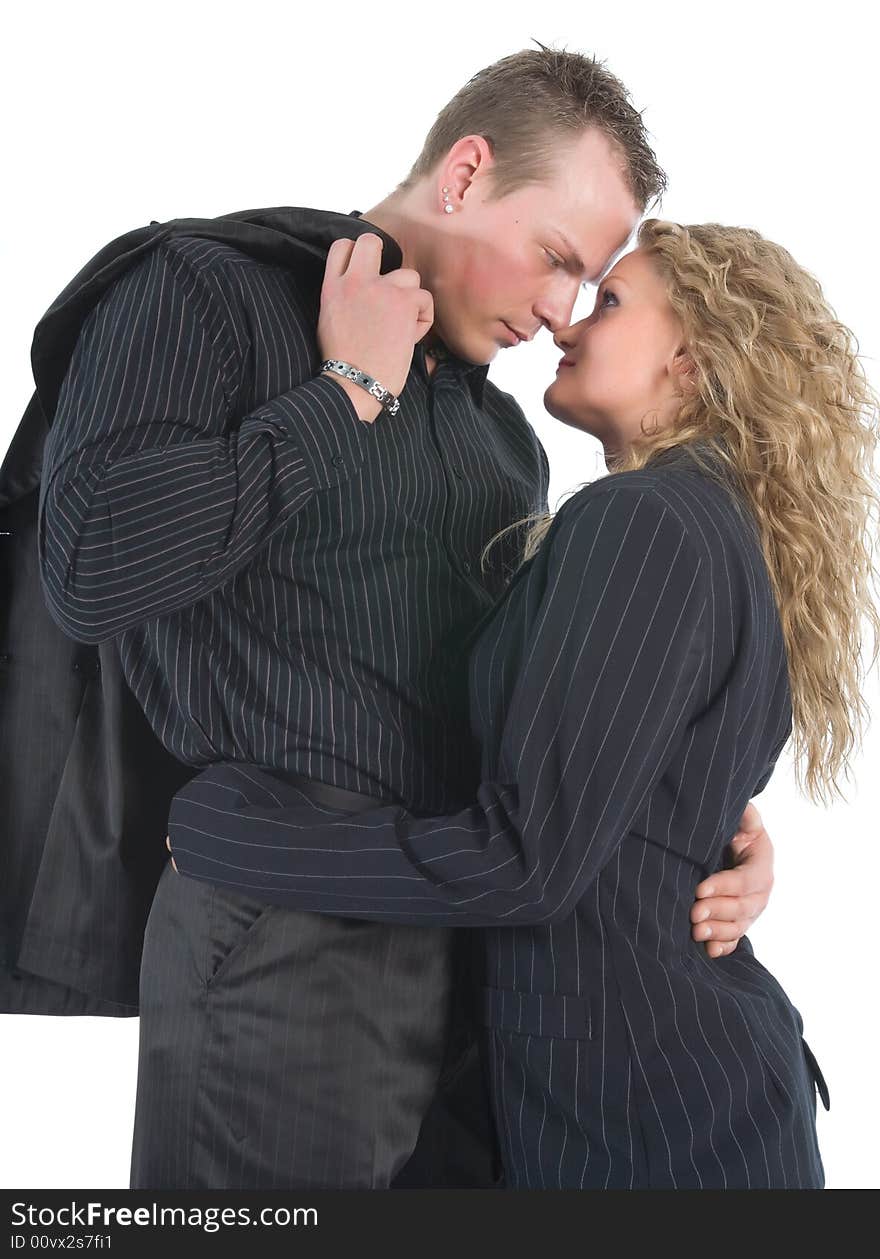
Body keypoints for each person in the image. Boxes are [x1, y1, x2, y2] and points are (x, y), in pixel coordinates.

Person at [39, 47, 774, 1190]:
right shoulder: (207, 288)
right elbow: (88, 564)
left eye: (586, 286)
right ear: (467, 172)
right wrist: (344, 398)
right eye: (554, 258)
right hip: (282, 931)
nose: (557, 310)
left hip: (482, 967)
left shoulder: (505, 444)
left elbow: (540, 715)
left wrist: (700, 825)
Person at [168, 218, 879, 1189]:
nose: (567, 325)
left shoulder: (644, 520)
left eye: (613, 300)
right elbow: (634, 808)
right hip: (657, 1094)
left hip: (647, 1116)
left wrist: (234, 836)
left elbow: (524, 861)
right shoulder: (709, 526)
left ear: (695, 358)